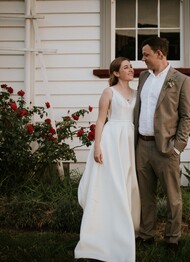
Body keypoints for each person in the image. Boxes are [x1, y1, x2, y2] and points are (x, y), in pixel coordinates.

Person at [75, 57, 140, 262]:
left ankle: (127, 228)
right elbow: (101, 120)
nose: (131, 69)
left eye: (131, 66)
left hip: (130, 141)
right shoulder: (108, 93)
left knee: (128, 182)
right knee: (112, 184)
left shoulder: (137, 93)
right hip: (112, 141)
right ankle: (103, 235)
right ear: (115, 73)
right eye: (126, 67)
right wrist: (97, 146)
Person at [134, 36, 190, 250]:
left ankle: (172, 238)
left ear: (160, 53)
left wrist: (177, 147)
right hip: (142, 145)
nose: (143, 59)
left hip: (167, 148)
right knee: (145, 195)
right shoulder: (143, 77)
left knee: (172, 197)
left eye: (146, 54)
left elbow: (187, 117)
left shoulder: (181, 80)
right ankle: (147, 234)